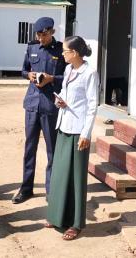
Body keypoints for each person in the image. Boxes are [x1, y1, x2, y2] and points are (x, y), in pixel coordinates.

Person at [45, 36, 99, 241]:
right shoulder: (68, 69)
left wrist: (86, 133)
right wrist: (60, 101)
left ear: (75, 53)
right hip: (63, 126)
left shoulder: (90, 73)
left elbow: (92, 105)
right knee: (60, 174)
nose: (62, 54)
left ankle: (76, 224)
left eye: (65, 51)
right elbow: (66, 94)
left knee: (76, 179)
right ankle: (57, 216)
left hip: (78, 131)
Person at [13, 17, 66, 204]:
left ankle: (51, 191)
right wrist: (29, 75)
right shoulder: (32, 48)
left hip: (50, 105)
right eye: (38, 35)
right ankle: (26, 188)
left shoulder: (61, 50)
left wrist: (52, 78)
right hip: (32, 105)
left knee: (52, 150)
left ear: (52, 32)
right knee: (30, 148)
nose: (41, 38)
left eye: (44, 35)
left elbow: (68, 77)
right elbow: (23, 70)